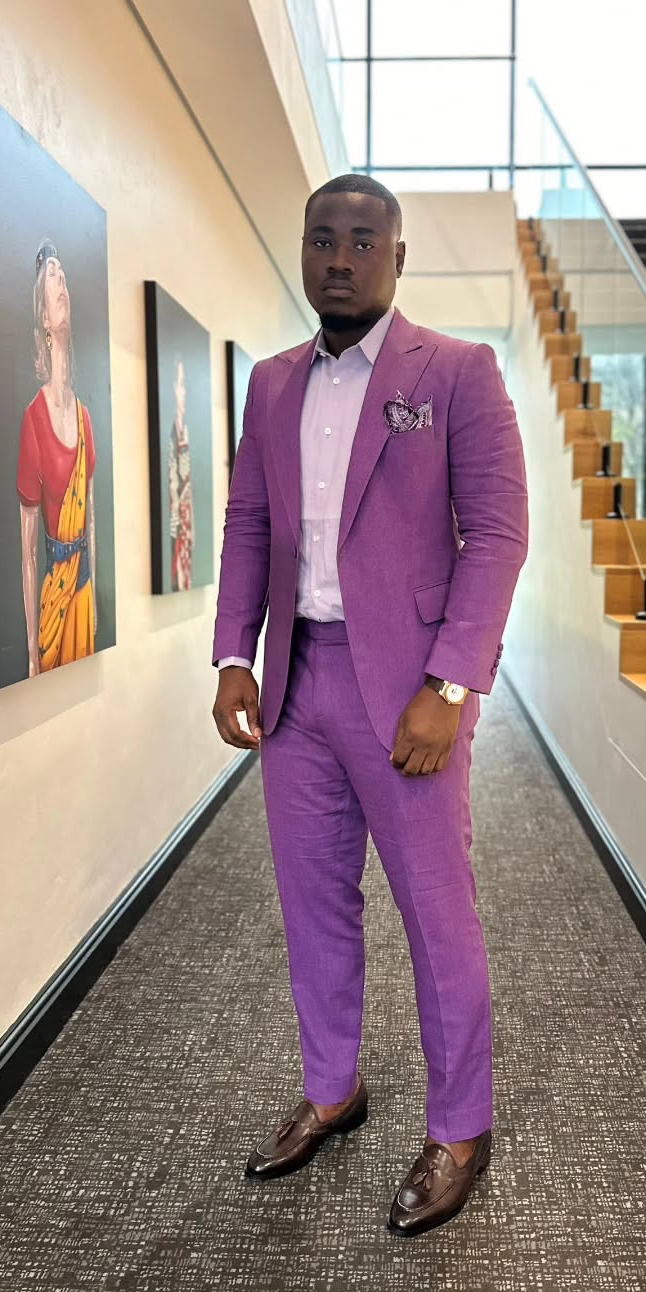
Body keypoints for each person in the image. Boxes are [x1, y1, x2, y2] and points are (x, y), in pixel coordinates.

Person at [211, 174, 528, 1237]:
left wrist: (451, 685)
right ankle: (333, 1089)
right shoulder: (271, 384)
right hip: (296, 685)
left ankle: (460, 1126)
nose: (338, 257)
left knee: (436, 913)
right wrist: (234, 654)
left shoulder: (459, 371)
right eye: (321, 239)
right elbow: (248, 523)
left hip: (409, 694)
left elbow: (499, 535)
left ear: (397, 256)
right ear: (303, 252)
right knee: (312, 903)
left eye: (360, 240)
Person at [17, 239, 98, 676]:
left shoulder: (84, 417)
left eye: (64, 274)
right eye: (53, 276)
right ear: (44, 319)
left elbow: (91, 522)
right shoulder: (34, 419)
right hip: (55, 603)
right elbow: (29, 554)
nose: (62, 281)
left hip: (83, 596)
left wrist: (96, 605)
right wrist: (32, 652)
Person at [168, 357, 194, 591]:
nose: (183, 393)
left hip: (186, 522)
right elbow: (173, 485)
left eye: (185, 386)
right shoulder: (173, 436)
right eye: (180, 385)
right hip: (178, 522)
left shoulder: (186, 431)